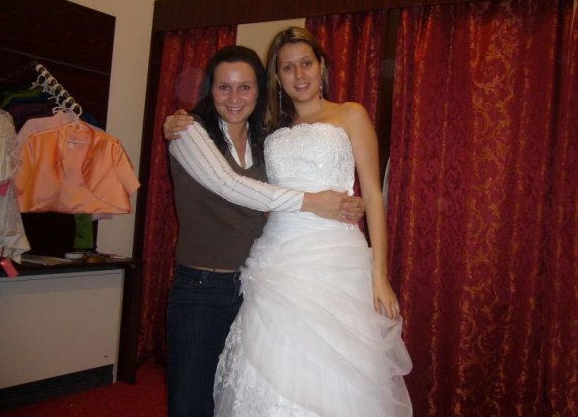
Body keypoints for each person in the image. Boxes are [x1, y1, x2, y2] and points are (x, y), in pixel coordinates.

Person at [171, 28, 412, 416]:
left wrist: (379, 275)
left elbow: (373, 197)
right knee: (266, 368)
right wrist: (176, 121)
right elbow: (256, 196)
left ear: (321, 67)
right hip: (275, 260)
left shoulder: (351, 114)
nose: (299, 75)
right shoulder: (270, 132)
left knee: (331, 372)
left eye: (306, 63)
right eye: (287, 67)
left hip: (333, 260)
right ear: (277, 78)